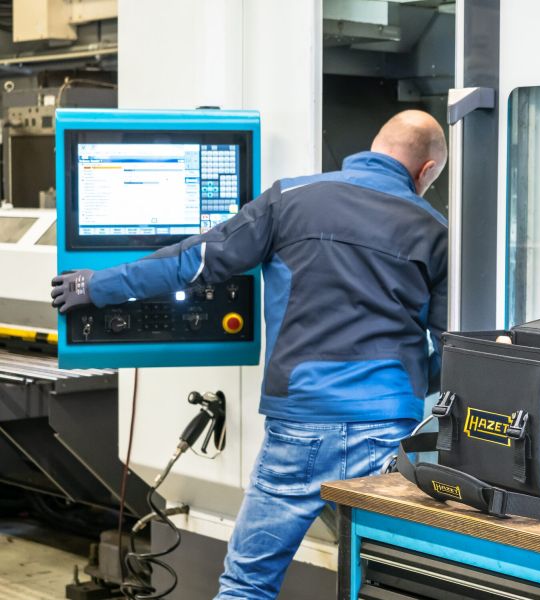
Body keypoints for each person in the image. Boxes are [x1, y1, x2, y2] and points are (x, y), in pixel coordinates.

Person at [51, 109, 448, 598]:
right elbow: (450, 349)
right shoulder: (435, 228)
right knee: (387, 584)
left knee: (247, 584)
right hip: (385, 431)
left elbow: (194, 261)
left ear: (374, 146)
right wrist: (405, 387)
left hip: (299, 423)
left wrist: (97, 286)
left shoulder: (290, 198)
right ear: (427, 170)